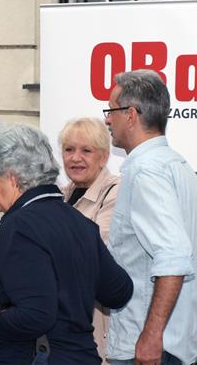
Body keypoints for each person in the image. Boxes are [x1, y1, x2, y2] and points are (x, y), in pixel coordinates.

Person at [0, 121, 133, 364]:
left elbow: (36, 316)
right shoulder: (77, 220)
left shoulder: (20, 226)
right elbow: (119, 291)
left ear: (11, 177)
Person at [104, 69, 197, 365]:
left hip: (147, 346)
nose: (106, 119)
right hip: (172, 342)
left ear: (130, 115)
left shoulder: (147, 171)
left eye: (110, 110)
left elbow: (174, 256)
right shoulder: (174, 164)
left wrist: (152, 335)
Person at [58, 117, 120, 364]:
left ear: (104, 157)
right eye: (69, 149)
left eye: (86, 150)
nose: (75, 158)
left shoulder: (116, 191)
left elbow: (95, 250)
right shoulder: (62, 193)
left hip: (98, 318)